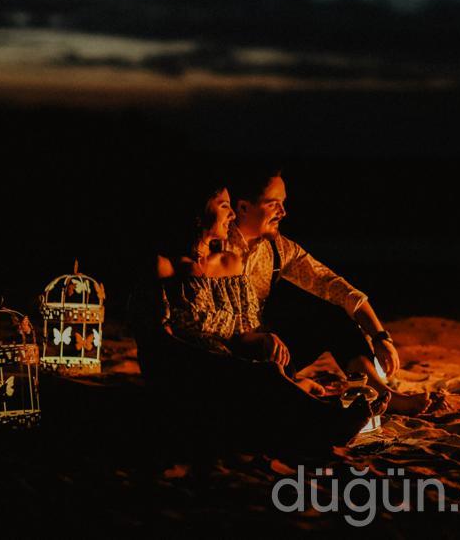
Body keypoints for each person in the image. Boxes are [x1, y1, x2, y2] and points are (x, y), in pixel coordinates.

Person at [136, 183, 376, 448]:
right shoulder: (163, 267)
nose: (231, 216)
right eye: (224, 206)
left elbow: (243, 331)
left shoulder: (231, 263)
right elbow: (156, 341)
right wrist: (212, 360)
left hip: (232, 363)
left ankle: (316, 399)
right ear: (198, 212)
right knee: (258, 376)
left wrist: (261, 339)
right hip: (190, 369)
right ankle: (324, 419)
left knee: (269, 364)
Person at [228, 170, 431, 415]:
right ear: (243, 207)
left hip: (267, 353)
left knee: (329, 315)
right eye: (273, 204)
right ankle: (288, 392)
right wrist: (254, 338)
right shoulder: (213, 245)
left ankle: (380, 392)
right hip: (225, 357)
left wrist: (379, 336)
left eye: (283, 203)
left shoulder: (278, 248)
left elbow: (333, 285)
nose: (283, 212)